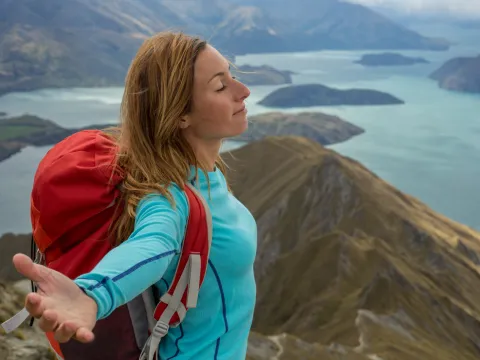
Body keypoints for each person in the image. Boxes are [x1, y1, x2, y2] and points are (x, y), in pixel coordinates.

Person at [12, 31, 257, 360]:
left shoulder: (206, 175)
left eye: (232, 75)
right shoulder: (170, 200)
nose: (243, 91)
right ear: (180, 114)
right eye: (220, 86)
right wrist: (91, 295)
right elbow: (152, 246)